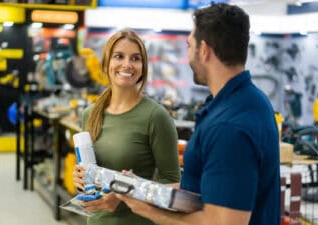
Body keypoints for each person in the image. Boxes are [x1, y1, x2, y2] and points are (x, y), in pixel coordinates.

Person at [117, 3, 281, 225]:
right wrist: (144, 189)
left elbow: (222, 223)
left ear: (204, 51)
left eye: (189, 45)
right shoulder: (252, 100)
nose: (187, 55)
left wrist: (149, 212)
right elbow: (203, 191)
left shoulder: (228, 126)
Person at [72, 29, 181, 225]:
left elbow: (173, 185)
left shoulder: (156, 116)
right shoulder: (90, 114)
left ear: (143, 67)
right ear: (106, 64)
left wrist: (125, 193)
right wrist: (80, 179)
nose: (127, 64)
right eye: (119, 56)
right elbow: (90, 172)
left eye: (135, 58)